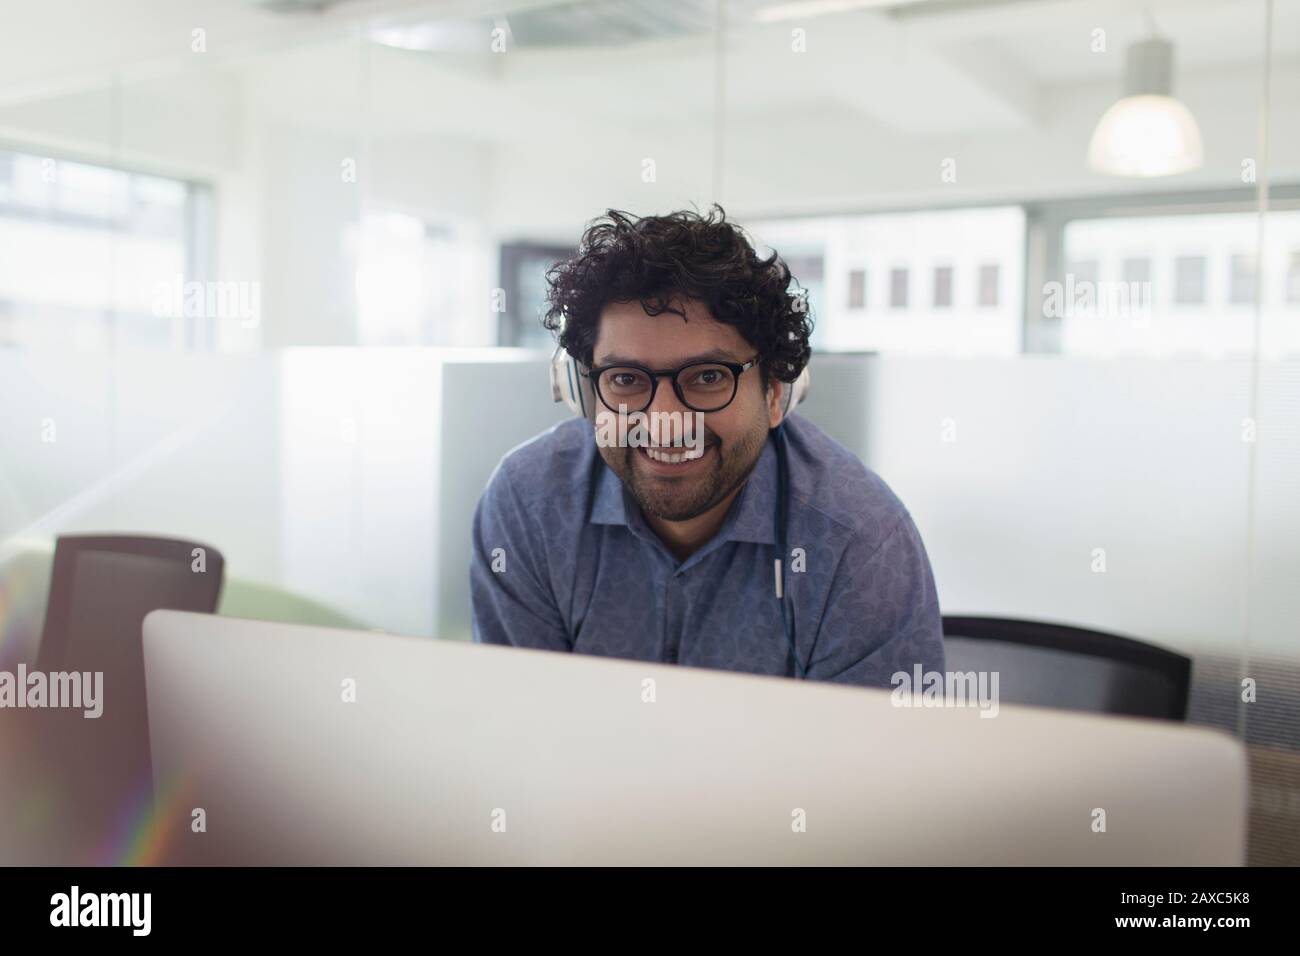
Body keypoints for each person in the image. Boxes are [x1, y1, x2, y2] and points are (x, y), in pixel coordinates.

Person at [470, 205, 944, 686]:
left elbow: (873, 758)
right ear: (581, 392)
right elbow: (524, 728)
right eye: (627, 379)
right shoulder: (528, 506)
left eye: (709, 377)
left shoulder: (860, 543)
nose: (666, 424)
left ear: (776, 392)